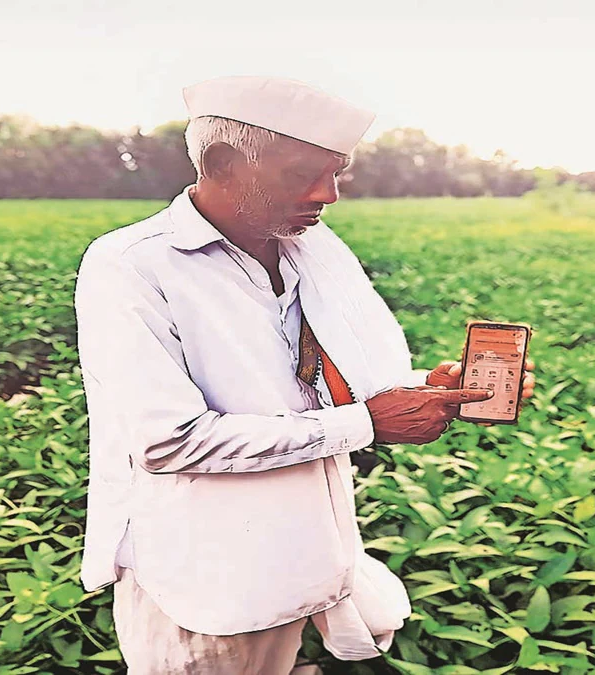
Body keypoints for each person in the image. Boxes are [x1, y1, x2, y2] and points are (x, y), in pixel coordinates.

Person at [74, 75, 537, 674]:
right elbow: (170, 441)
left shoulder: (308, 244)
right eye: (302, 173)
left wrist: (434, 390)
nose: (330, 194)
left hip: (311, 541)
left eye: (338, 171)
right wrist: (367, 423)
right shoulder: (132, 265)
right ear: (222, 163)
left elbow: (331, 383)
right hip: (211, 573)